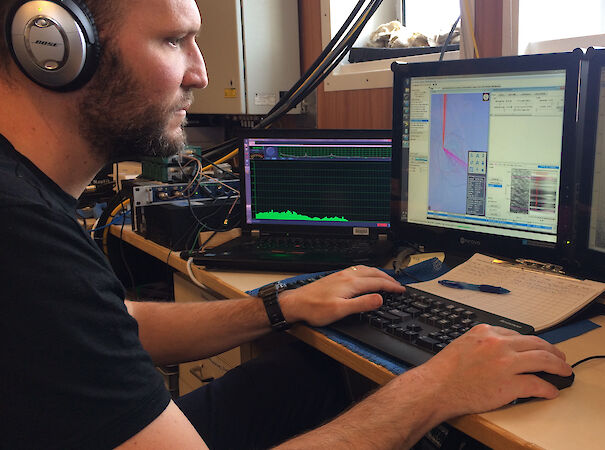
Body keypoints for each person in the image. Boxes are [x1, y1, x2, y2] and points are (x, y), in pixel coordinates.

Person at [0, 0, 573, 448]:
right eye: (174, 40)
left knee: (312, 374)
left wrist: (277, 306)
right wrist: (436, 387)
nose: (200, 72)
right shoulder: (23, 236)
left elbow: (119, 324)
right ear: (53, 45)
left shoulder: (27, 204)